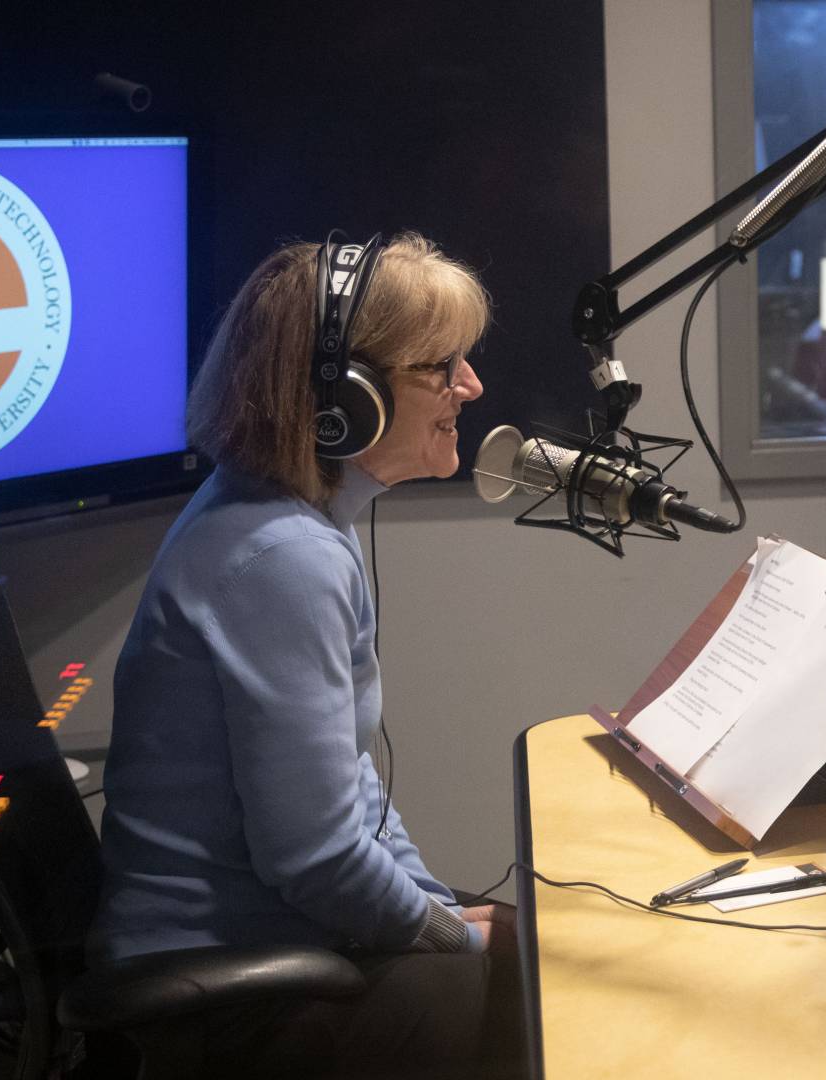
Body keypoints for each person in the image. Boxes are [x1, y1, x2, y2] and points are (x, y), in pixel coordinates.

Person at [87, 232, 522, 1077]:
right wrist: (452, 937)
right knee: (547, 995)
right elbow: (317, 856)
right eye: (442, 366)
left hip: (276, 946)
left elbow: (350, 790)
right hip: (228, 996)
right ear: (345, 398)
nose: (470, 385)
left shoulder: (294, 518)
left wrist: (439, 909)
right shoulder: (283, 555)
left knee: (522, 943)